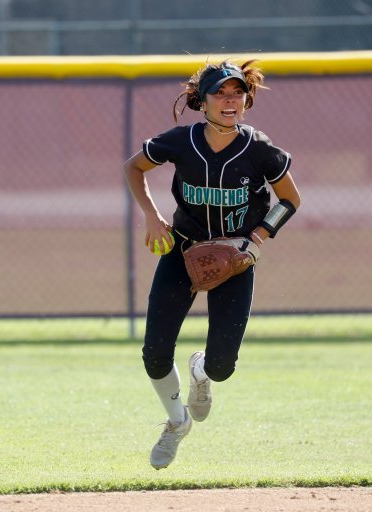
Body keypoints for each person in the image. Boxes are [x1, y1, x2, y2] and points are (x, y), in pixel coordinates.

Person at [123, 60, 301, 470]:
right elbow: (133, 167)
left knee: (222, 368)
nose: (230, 100)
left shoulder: (260, 149)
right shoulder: (180, 141)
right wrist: (151, 215)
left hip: (236, 259)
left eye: (237, 92)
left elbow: (290, 200)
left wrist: (256, 240)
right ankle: (175, 422)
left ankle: (201, 372)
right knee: (154, 353)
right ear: (201, 100)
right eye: (221, 92)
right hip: (182, 251)